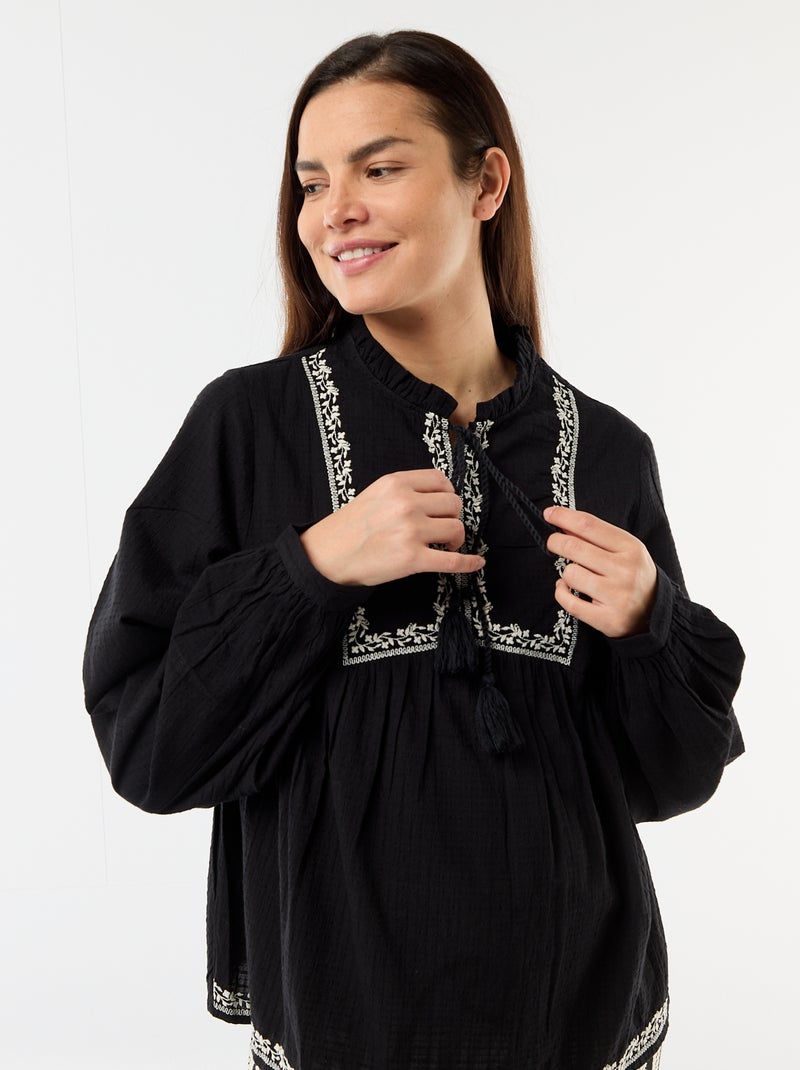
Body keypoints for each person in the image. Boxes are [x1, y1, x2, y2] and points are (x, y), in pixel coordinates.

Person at [83, 29, 745, 1070]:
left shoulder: (609, 450)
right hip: (346, 1020)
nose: (332, 211)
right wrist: (308, 570)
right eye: (312, 183)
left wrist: (648, 623)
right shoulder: (248, 426)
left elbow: (667, 784)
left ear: (486, 183)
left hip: (581, 1019)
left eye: (378, 169)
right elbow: (149, 747)